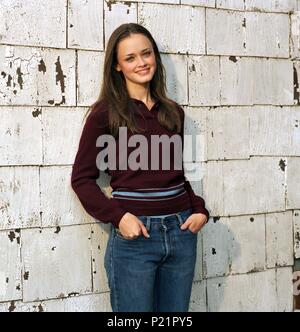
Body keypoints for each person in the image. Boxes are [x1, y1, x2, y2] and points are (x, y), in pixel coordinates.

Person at [71, 23, 209, 312]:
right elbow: (82, 179)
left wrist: (199, 210)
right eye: (130, 58)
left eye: (146, 54)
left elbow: (176, 175)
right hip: (136, 239)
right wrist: (120, 218)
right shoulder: (105, 114)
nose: (141, 62)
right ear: (118, 66)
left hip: (181, 233)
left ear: (155, 57)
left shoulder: (173, 112)